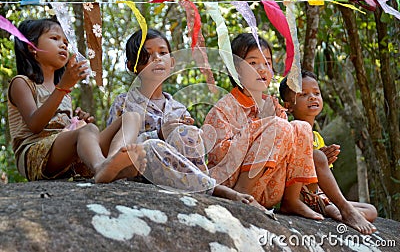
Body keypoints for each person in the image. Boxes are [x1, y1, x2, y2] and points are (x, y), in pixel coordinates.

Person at [107, 28, 263, 207]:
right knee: (152, 145)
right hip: (142, 172)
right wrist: (159, 134)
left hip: (179, 175)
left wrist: (189, 133)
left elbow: (192, 151)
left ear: (172, 62)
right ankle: (218, 190)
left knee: (187, 132)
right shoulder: (124, 103)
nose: (157, 58)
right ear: (131, 65)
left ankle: (204, 189)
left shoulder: (178, 108)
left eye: (163, 53)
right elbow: (119, 151)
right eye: (146, 54)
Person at [8, 18, 147, 183]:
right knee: (89, 130)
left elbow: (62, 130)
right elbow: (35, 124)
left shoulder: (63, 92)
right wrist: (63, 87)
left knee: (132, 117)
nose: (63, 45)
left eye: (66, 41)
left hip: (65, 156)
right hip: (35, 154)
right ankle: (101, 167)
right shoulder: (21, 83)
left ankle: (114, 161)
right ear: (32, 48)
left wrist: (76, 122)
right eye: (55, 38)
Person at [203, 33, 323, 220]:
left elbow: (290, 154)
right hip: (232, 186)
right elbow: (218, 156)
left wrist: (269, 121)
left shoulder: (274, 107)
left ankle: (292, 201)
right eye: (253, 63)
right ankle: (244, 192)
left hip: (267, 189)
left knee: (301, 127)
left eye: (267, 63)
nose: (262, 69)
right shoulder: (224, 108)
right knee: (280, 126)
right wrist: (260, 128)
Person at [279, 70, 377, 234]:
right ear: (288, 105)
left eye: (316, 93)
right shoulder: (290, 129)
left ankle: (336, 209)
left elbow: (318, 179)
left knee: (371, 210)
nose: (312, 97)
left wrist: (324, 161)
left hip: (319, 195)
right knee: (318, 156)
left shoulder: (317, 137)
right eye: (303, 94)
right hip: (300, 194)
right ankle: (343, 210)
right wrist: (315, 158)